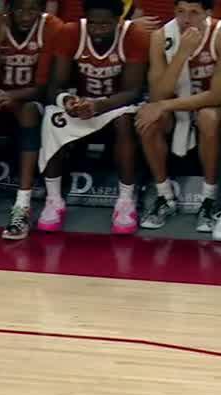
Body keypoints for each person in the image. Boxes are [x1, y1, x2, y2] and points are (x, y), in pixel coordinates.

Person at [37, 0, 148, 234]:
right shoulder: (71, 32)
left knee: (124, 121)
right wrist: (67, 101)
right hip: (81, 103)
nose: (98, 29)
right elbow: (54, 86)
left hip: (115, 104)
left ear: (119, 22)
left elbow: (133, 91)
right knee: (52, 116)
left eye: (105, 24)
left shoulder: (133, 35)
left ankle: (126, 201)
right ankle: (54, 199)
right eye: (93, 23)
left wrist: (99, 105)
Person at [0, 0, 62, 241]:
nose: (26, 16)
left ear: (41, 10)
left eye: (32, 10)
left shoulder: (52, 28)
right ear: (8, 10)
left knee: (27, 111)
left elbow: (43, 87)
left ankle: (22, 206)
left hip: (28, 100)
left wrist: (11, 96)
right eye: (20, 10)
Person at [138, 0, 220, 231]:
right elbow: (157, 93)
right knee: (148, 120)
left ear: (208, 13)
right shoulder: (160, 36)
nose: (186, 19)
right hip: (174, 107)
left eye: (194, 13)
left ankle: (209, 200)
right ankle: (164, 197)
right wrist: (181, 54)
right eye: (180, 12)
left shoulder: (219, 34)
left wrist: (164, 104)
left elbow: (217, 96)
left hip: (210, 106)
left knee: (208, 117)